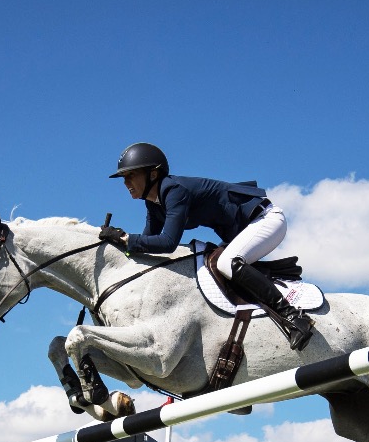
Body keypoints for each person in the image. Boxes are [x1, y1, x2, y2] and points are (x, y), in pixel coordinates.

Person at [101, 142, 314, 350]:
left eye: (131, 175)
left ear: (153, 174)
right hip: (240, 232)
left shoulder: (174, 191)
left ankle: (295, 317)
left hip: (266, 220)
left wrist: (126, 238)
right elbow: (146, 243)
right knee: (215, 264)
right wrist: (120, 246)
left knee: (228, 263)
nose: (126, 182)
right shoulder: (154, 202)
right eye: (124, 177)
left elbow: (167, 243)